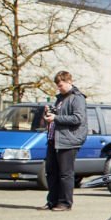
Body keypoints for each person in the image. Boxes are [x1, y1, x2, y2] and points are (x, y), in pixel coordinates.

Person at [38, 71, 88, 211]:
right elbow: (59, 115)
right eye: (57, 86)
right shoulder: (60, 99)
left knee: (65, 174)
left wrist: (56, 118)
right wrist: (50, 113)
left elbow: (78, 118)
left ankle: (65, 203)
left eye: (60, 85)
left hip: (68, 140)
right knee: (51, 172)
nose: (58, 88)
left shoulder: (77, 98)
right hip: (54, 139)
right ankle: (52, 201)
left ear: (69, 82)